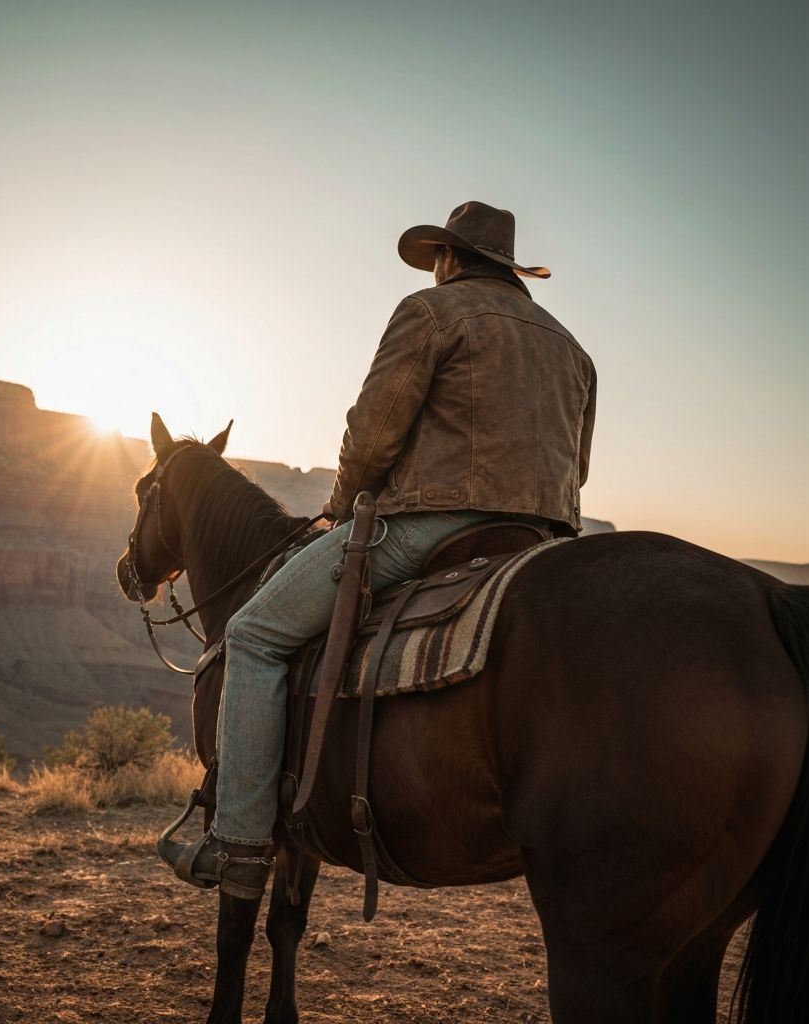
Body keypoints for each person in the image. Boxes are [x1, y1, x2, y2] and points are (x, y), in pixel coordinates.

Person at [160, 201, 597, 898]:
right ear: (509, 268)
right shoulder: (572, 348)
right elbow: (575, 467)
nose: (434, 270)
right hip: (540, 538)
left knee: (254, 633)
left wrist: (341, 504)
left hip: (432, 528)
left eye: (435, 261)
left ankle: (239, 840)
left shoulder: (432, 312)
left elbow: (373, 431)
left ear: (449, 259)